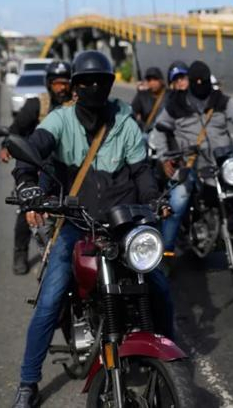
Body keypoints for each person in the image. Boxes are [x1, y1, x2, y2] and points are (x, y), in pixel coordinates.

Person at [11, 50, 173, 408]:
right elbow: (33, 149)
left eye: (100, 81)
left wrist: (154, 200)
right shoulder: (60, 120)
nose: (93, 87)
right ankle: (27, 382)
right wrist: (26, 183)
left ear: (110, 84)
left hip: (122, 223)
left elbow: (142, 171)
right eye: (85, 82)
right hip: (76, 224)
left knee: (159, 285)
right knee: (50, 299)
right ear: (75, 87)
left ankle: (169, 365)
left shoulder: (125, 122)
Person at [149, 60, 233, 251]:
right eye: (196, 82)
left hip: (222, 162)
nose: (200, 85)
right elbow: (159, 130)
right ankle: (165, 249)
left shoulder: (220, 100)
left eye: (203, 81)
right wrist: (165, 158)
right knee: (179, 198)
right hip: (189, 164)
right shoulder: (176, 104)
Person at [0, 60, 73, 275]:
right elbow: (15, 130)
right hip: (37, 166)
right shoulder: (37, 104)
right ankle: (20, 252)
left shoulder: (77, 107)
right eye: (58, 83)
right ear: (49, 84)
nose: (62, 88)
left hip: (65, 167)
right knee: (27, 208)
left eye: (66, 83)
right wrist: (6, 146)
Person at [130, 66, 168, 131]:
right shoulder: (142, 95)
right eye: (149, 80)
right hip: (147, 131)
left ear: (161, 80)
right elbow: (131, 112)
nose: (152, 83)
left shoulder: (169, 95)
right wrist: (139, 124)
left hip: (165, 131)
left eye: (155, 79)